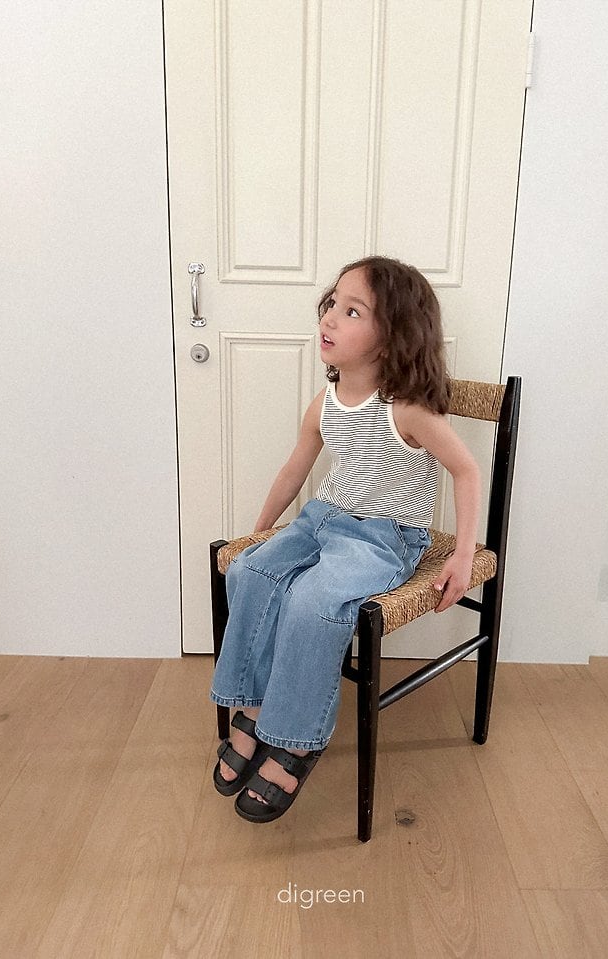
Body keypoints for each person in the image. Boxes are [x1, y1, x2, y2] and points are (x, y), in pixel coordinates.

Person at [210, 255, 480, 824]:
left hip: (382, 539)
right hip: (321, 520)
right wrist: (259, 535)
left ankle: (296, 739)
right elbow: (294, 471)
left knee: (312, 601)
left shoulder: (408, 410)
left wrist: (461, 555)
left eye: (353, 311)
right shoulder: (326, 401)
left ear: (392, 335)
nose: (330, 318)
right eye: (333, 303)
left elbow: (466, 470)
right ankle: (255, 707)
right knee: (249, 571)